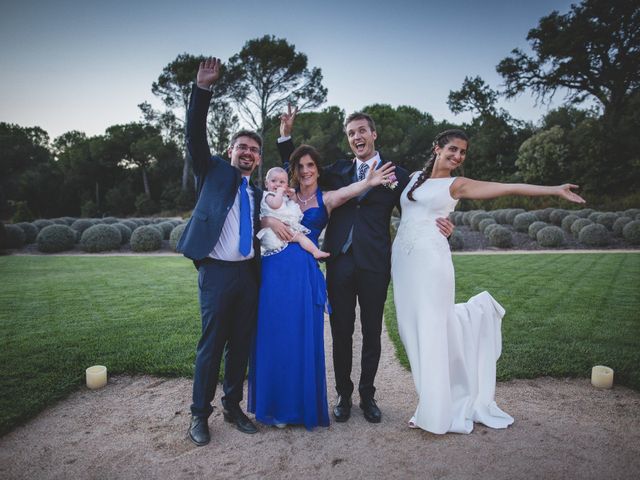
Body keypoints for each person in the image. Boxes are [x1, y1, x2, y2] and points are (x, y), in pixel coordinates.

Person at [391, 129, 585, 434]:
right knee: (410, 329)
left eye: (463, 152)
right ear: (437, 148)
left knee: (432, 330)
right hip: (403, 263)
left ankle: (436, 411)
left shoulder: (457, 185)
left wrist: (554, 189)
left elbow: (506, 187)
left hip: (431, 263)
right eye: (453, 149)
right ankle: (430, 400)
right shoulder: (414, 177)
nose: (457, 156)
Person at [277, 107, 454, 424]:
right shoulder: (338, 171)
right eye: (351, 133)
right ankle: (343, 395)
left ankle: (368, 395)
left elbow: (420, 204)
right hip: (339, 263)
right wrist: (285, 136)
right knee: (341, 332)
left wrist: (443, 222)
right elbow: (301, 169)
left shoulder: (397, 175)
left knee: (372, 333)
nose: (357, 137)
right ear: (349, 140)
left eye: (362, 131)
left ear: (373, 134)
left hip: (374, 264)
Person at [249, 144, 396, 430]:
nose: (305, 171)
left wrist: (368, 182)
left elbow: (348, 192)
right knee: (274, 333)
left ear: (318, 169)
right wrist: (267, 219)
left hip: (304, 271)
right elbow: (261, 211)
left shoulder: (325, 198)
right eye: (300, 166)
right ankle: (276, 404)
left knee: (301, 335)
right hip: (274, 269)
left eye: (311, 166)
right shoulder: (283, 194)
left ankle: (309, 404)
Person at [176, 57, 263, 446]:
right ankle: (199, 415)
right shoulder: (212, 171)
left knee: (241, 343)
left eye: (253, 150)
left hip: (248, 275)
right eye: (242, 147)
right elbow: (195, 135)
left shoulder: (258, 192)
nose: (247, 153)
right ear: (230, 151)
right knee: (211, 346)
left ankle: (232, 405)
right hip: (216, 273)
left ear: (258, 160)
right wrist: (203, 90)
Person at [257, 167, 330, 259]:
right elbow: (276, 205)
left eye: (282, 182)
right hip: (273, 232)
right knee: (299, 237)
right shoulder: (268, 196)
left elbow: (294, 205)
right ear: (266, 183)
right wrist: (280, 192)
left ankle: (315, 251)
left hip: (284, 229)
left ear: (286, 185)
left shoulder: (282, 197)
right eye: (273, 181)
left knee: (300, 237)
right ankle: (315, 251)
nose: (278, 184)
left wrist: (292, 196)